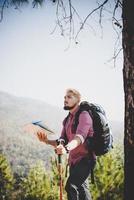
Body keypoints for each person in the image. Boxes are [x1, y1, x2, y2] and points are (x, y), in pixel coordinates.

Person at [36, 88, 96, 200]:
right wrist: (46, 141)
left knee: (71, 186)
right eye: (65, 97)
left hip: (85, 160)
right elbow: (62, 140)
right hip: (73, 162)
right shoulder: (67, 120)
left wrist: (66, 149)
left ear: (77, 100)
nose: (65, 99)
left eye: (69, 97)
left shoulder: (84, 115)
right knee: (82, 192)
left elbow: (80, 138)